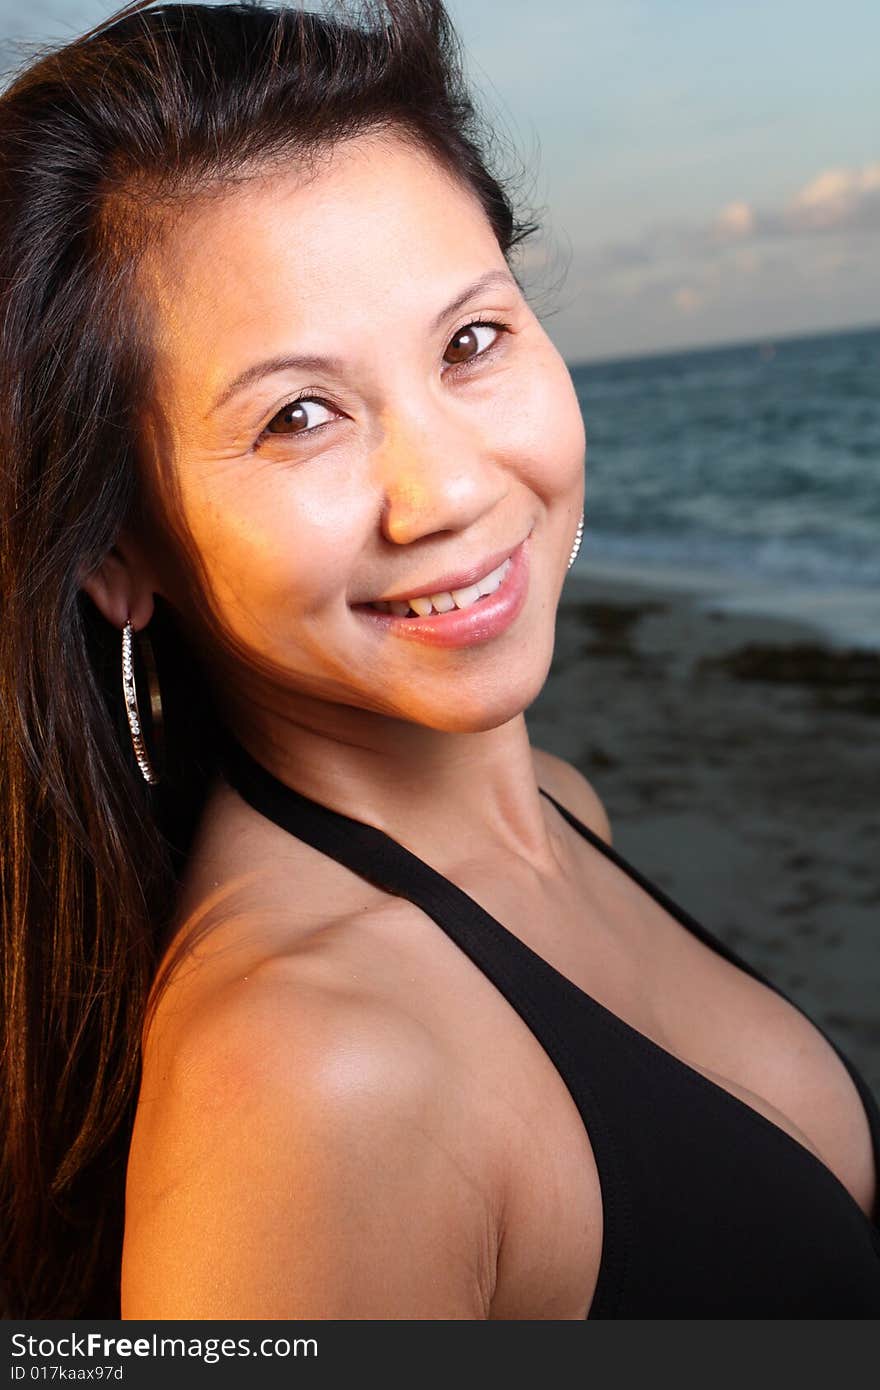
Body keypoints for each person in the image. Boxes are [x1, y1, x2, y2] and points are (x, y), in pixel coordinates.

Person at [1, 0, 877, 1322]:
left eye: (472, 341)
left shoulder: (561, 810)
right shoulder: (313, 1074)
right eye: (302, 415)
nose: (451, 488)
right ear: (120, 549)